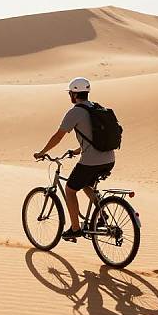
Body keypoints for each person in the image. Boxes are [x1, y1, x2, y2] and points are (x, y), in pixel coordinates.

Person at [34, 77, 115, 241]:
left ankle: (75, 228)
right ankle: (102, 215)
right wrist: (79, 150)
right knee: (86, 184)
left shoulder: (75, 112)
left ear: (74, 94)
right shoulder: (96, 108)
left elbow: (58, 136)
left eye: (70, 93)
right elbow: (96, 137)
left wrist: (42, 152)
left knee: (70, 190)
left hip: (91, 161)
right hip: (109, 158)